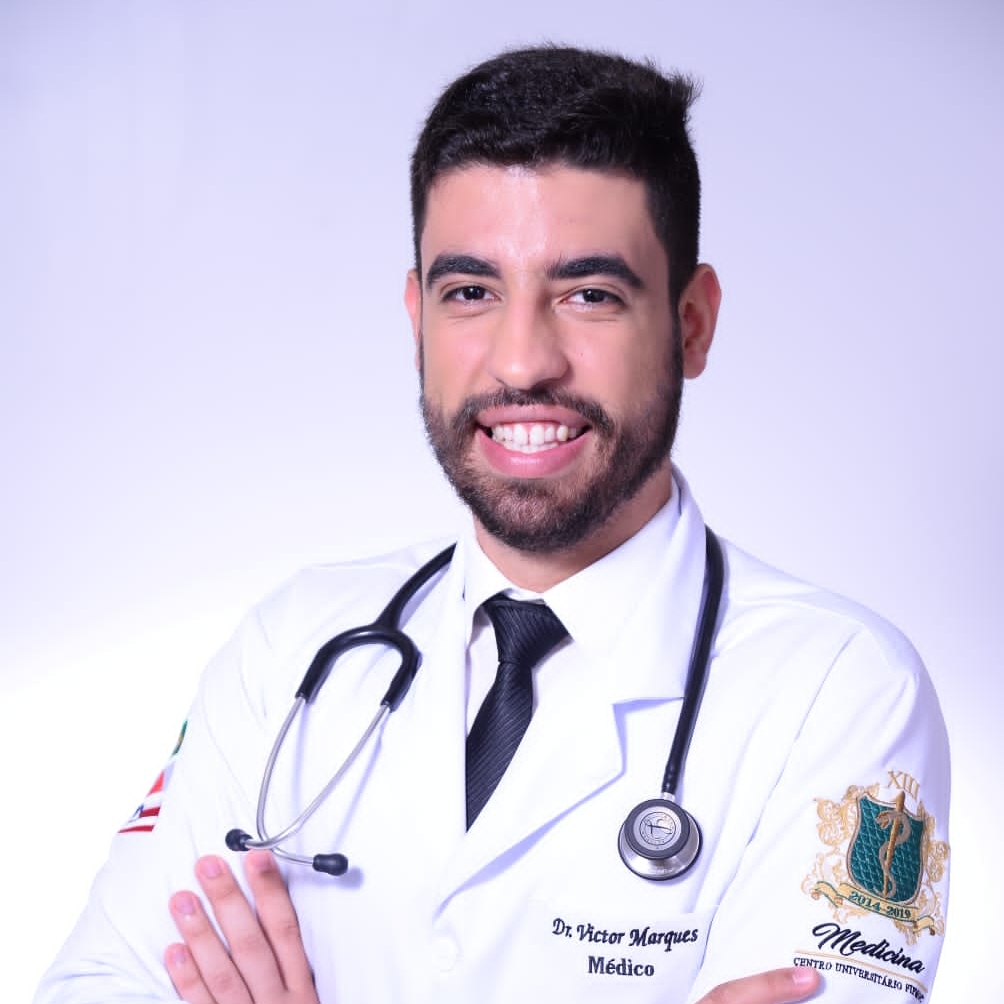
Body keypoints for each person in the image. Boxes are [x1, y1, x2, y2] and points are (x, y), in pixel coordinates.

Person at [35, 45, 950, 1004]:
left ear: (691, 323)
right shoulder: (291, 648)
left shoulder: (842, 692)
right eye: (470, 292)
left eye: (589, 294)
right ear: (417, 318)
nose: (522, 361)